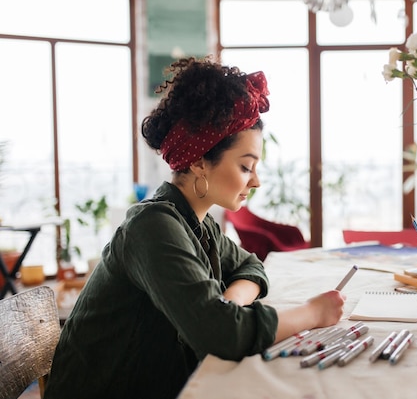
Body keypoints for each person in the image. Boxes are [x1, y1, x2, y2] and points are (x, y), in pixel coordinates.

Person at [44, 56, 345, 399]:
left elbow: (251, 266)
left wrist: (229, 303)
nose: (256, 181)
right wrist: (312, 313)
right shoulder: (153, 227)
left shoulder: (198, 223)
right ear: (200, 161)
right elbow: (222, 337)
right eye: (246, 167)